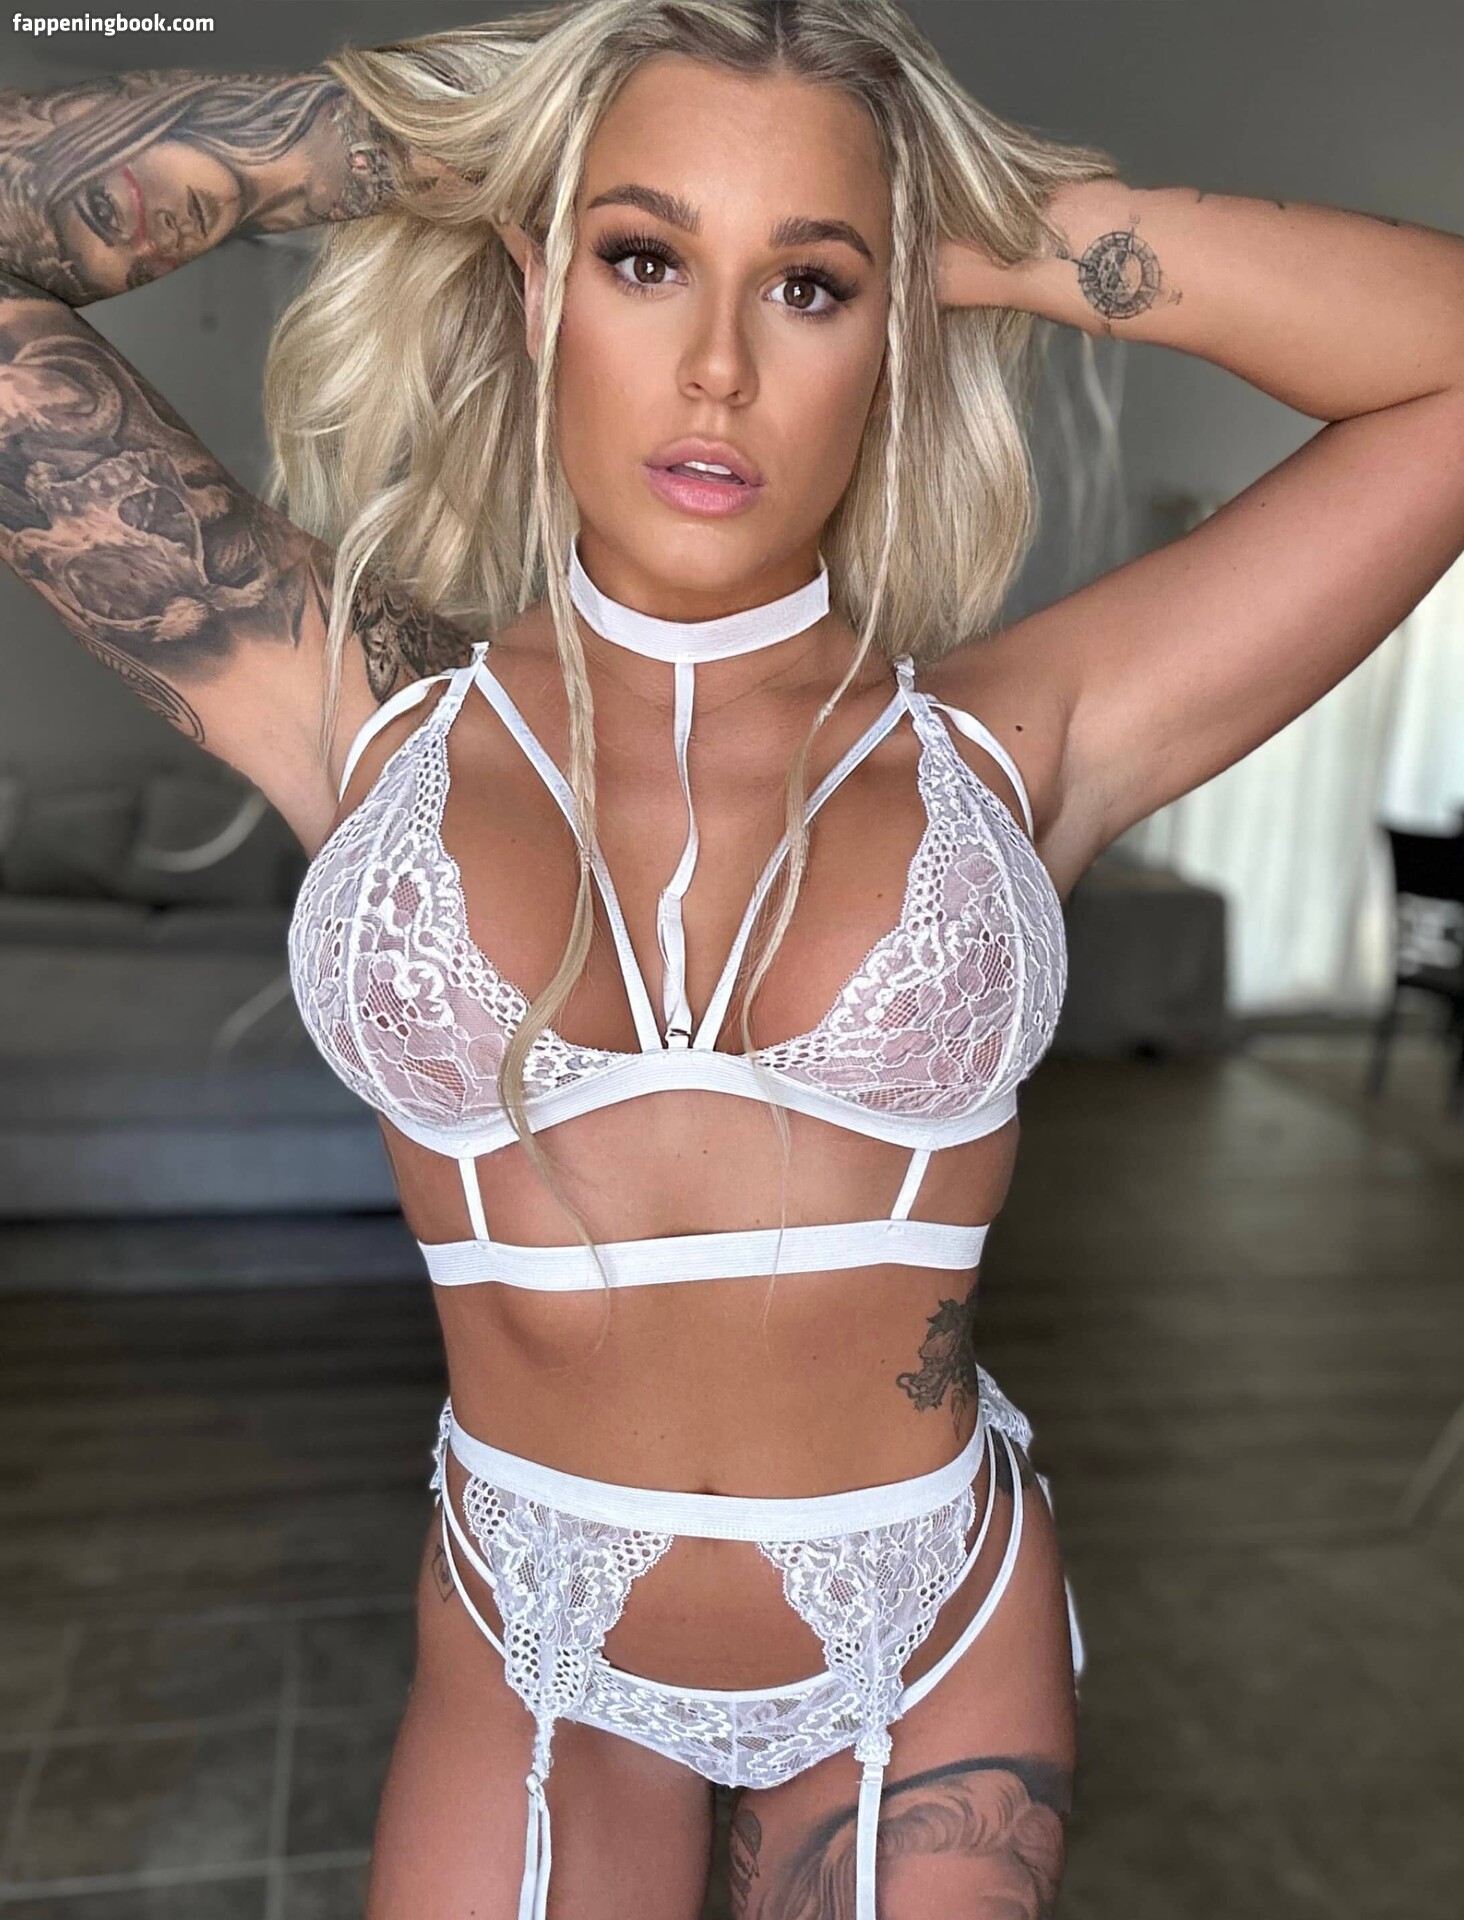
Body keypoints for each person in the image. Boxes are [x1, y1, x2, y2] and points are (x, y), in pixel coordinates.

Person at [2, 3, 1462, 1914]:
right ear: (542, 288)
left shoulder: (1015, 741)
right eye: (643, 258)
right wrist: (474, 143)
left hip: (925, 1640)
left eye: (809, 287)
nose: (716, 368)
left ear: (895, 330)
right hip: (529, 1627)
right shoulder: (356, 703)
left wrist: (981, 232)